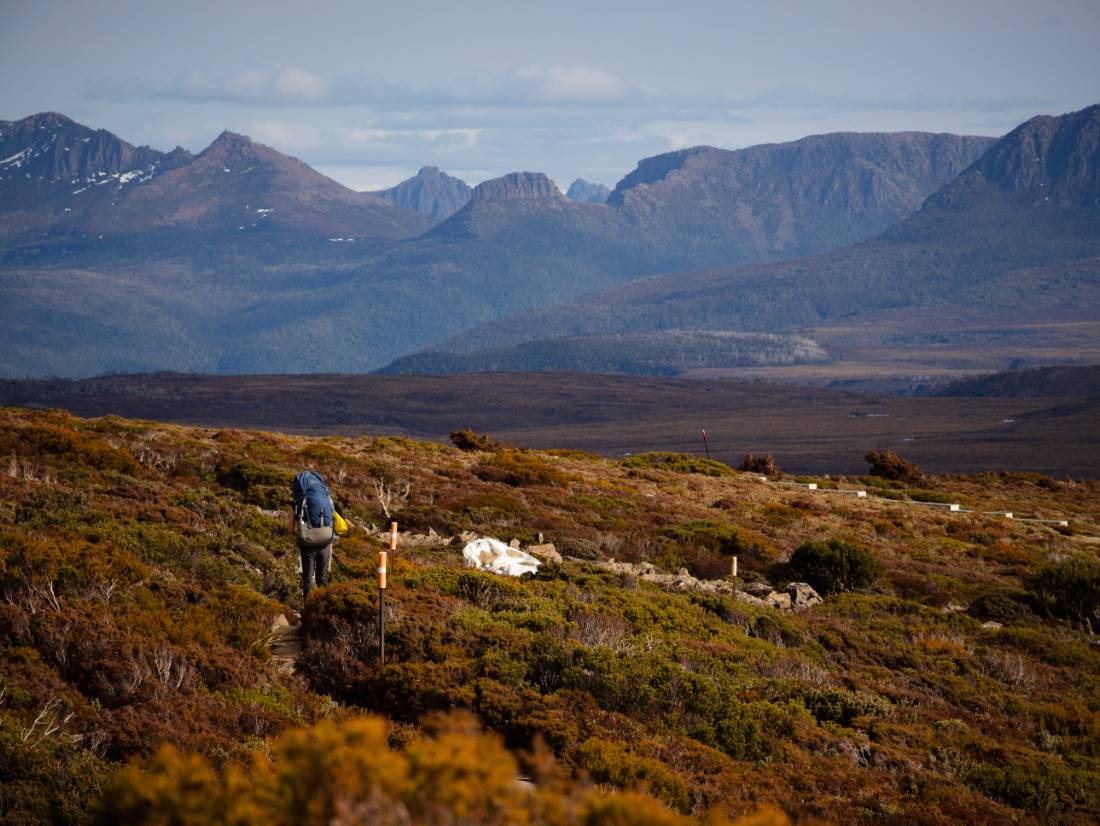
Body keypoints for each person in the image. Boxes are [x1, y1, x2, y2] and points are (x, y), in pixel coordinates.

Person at [290, 470, 336, 600]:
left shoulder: (296, 503)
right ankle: (328, 604)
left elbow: (290, 529)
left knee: (308, 579)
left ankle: (308, 607)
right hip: (326, 542)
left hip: (308, 544)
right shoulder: (327, 498)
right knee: (322, 578)